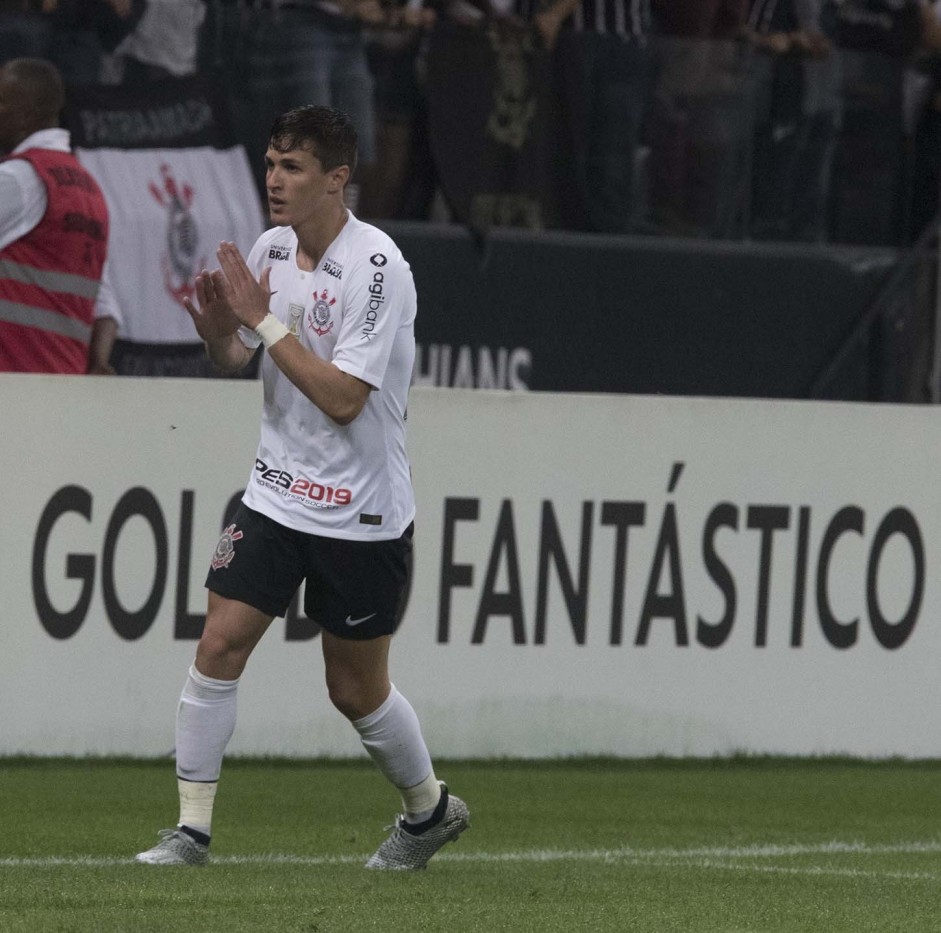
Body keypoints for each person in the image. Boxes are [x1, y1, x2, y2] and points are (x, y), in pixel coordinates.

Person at [135, 104, 469, 870]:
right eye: (270, 164)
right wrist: (217, 327)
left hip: (362, 510)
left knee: (354, 690)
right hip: (276, 492)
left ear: (336, 180)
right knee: (219, 642)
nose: (274, 181)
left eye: (292, 168)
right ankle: (190, 831)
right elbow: (234, 357)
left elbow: (346, 399)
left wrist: (263, 322)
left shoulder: (378, 266)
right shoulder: (272, 250)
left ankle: (429, 811)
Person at [0, 57, 117, 374]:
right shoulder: (90, 193)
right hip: (61, 393)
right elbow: (105, 308)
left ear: (24, 113)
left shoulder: (18, 179)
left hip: (12, 385)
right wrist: (98, 366)